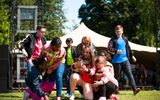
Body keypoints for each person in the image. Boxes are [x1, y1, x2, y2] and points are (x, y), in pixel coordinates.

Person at [107, 24, 140, 95]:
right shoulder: (113, 40)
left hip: (125, 60)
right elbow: (109, 49)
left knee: (129, 74)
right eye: (117, 31)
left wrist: (132, 56)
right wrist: (116, 51)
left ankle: (135, 89)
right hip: (116, 62)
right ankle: (115, 90)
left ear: (122, 31)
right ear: (115, 32)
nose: (118, 32)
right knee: (116, 77)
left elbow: (128, 48)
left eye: (119, 31)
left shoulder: (125, 39)